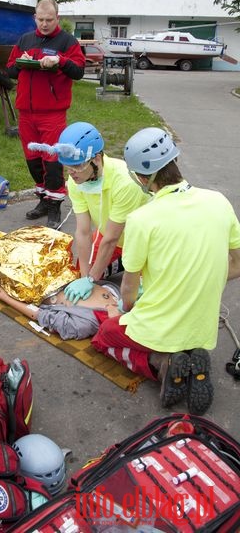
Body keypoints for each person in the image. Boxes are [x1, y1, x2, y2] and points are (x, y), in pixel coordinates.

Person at [91, 127, 240, 415]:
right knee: (166, 331)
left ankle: (162, 364)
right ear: (175, 160)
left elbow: (129, 289)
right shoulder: (218, 202)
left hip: (158, 326)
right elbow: (238, 261)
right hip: (201, 327)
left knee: (103, 336)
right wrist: (208, 276)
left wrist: (124, 313)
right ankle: (187, 357)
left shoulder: (142, 219)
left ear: (142, 178)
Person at [29, 122, 147, 303]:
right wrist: (85, 277)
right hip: (113, 236)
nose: (72, 173)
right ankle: (123, 262)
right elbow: (83, 232)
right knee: (81, 272)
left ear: (97, 159)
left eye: (76, 166)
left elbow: (111, 238)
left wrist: (92, 278)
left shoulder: (124, 182)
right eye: (67, 167)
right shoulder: (77, 180)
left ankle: (137, 267)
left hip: (143, 241)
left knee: (139, 297)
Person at [6, 0, 86, 229]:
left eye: (49, 20)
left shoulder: (67, 41)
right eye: (40, 19)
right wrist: (23, 62)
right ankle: (43, 200)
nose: (44, 24)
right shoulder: (25, 40)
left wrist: (60, 61)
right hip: (26, 112)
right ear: (35, 18)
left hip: (52, 113)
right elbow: (10, 69)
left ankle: (54, 207)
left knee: (52, 161)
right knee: (33, 161)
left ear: (57, 18)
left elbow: (79, 70)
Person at [0, 280, 122, 341]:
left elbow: (40, 314)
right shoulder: (122, 299)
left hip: (33, 284)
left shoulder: (83, 325)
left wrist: (7, 299)